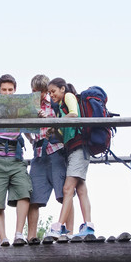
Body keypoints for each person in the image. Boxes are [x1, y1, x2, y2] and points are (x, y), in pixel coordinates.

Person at [0, 74, 32, 245]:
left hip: (16, 157)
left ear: (15, 91)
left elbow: (33, 125)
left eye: (10, 90)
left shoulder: (21, 108)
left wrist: (38, 114)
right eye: (4, 90)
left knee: (24, 192)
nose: (7, 93)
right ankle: (3, 237)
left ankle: (19, 233)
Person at [46, 77, 95, 237]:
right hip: (72, 149)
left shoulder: (68, 96)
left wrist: (56, 122)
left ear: (62, 88)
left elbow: (74, 115)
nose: (51, 95)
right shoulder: (60, 108)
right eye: (49, 93)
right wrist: (54, 131)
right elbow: (64, 135)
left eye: (53, 91)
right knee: (81, 189)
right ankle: (88, 226)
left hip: (79, 148)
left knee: (67, 189)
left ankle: (59, 226)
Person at [26, 74, 73, 240]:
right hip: (38, 154)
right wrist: (30, 138)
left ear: (46, 91)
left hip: (56, 150)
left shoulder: (55, 103)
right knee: (33, 198)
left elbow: (65, 120)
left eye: (41, 91)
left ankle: (68, 232)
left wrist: (49, 119)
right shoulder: (28, 106)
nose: (37, 94)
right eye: (34, 91)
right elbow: (23, 128)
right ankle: (31, 236)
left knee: (64, 194)